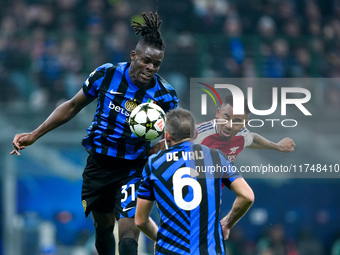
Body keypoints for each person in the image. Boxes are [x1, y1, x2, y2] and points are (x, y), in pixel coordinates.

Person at [10, 12, 179, 255]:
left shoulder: (165, 95)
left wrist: (161, 147)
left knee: (129, 230)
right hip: (99, 164)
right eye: (146, 60)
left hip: (134, 167)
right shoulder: (106, 75)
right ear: (134, 56)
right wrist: (35, 134)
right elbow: (72, 106)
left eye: (157, 64)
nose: (151, 67)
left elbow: (172, 135)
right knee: (103, 226)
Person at [135, 108, 254, 255]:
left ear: (166, 136)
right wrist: (227, 223)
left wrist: (160, 239)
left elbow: (140, 220)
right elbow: (247, 196)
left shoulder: (154, 163)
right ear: (195, 134)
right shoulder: (215, 157)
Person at [195, 94, 296, 163]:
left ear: (244, 124)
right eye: (226, 118)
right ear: (218, 113)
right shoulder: (198, 135)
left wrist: (278, 146)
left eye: (236, 122)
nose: (229, 125)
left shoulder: (242, 135)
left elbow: (252, 139)